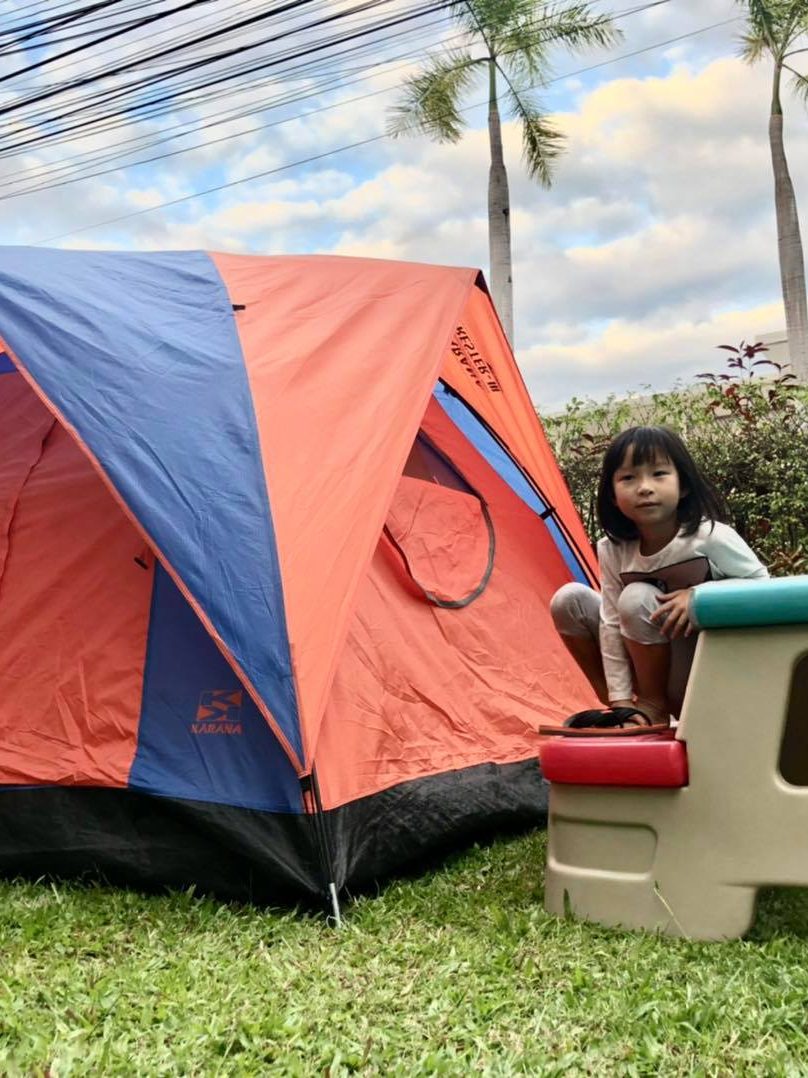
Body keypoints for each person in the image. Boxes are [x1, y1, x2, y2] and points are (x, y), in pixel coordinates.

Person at [550, 425, 768, 727]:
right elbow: (611, 623)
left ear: (683, 485)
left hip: (706, 671)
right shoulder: (613, 549)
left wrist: (699, 597)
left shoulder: (710, 537)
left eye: (659, 474)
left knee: (637, 597)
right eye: (628, 478)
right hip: (646, 667)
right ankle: (631, 709)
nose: (644, 487)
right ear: (612, 495)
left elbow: (763, 588)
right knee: (568, 600)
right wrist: (620, 700)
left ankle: (653, 705)